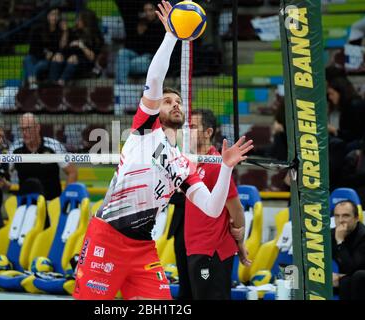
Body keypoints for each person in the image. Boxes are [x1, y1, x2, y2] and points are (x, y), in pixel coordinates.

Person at [72, 1, 253, 300]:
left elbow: (211, 206)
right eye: (168, 101)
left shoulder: (183, 164)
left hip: (143, 248)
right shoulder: (145, 131)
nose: (175, 105)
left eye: (179, 102)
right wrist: (171, 35)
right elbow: (154, 79)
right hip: (107, 237)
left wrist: (227, 168)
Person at [184, 109, 250, 300]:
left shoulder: (215, 165)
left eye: (194, 127)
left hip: (213, 251)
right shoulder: (190, 164)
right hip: (196, 248)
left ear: (208, 132)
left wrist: (240, 240)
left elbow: (236, 208)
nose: (188, 131)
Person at [9, 113, 78, 200]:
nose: (24, 133)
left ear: (37, 128)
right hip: (26, 204)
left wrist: (64, 199)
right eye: (22, 129)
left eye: (28, 128)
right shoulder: (14, 149)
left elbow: (72, 172)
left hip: (51, 203)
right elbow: (7, 172)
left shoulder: (54, 146)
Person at [48, 9, 104, 85]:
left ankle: (61, 82)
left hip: (84, 63)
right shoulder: (74, 31)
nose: (77, 21)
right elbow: (62, 46)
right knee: (57, 56)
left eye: (79, 19)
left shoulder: (96, 37)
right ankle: (52, 83)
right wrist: (65, 31)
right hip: (67, 60)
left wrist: (81, 45)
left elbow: (92, 57)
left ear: (86, 20)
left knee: (73, 58)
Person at [115, 1, 165, 84]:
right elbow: (134, 45)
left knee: (126, 64)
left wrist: (146, 33)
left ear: (156, 11)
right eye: (146, 11)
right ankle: (121, 87)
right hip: (137, 55)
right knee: (122, 53)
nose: (148, 13)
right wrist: (139, 34)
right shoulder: (140, 23)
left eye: (150, 10)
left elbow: (154, 48)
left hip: (151, 59)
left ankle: (122, 75)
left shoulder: (161, 25)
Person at [331, 200, 365, 300]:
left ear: (356, 218)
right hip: (347, 279)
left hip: (362, 279)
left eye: (346, 216)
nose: (340, 220)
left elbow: (352, 269)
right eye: (337, 216)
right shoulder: (331, 234)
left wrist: (340, 241)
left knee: (353, 278)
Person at [23, 7, 62, 88]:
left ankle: (27, 84)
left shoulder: (60, 31)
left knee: (40, 65)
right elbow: (32, 49)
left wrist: (51, 54)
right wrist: (44, 53)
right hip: (36, 56)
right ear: (48, 16)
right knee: (27, 59)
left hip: (48, 60)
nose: (55, 17)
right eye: (52, 14)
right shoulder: (38, 29)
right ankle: (32, 83)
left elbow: (59, 49)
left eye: (57, 15)